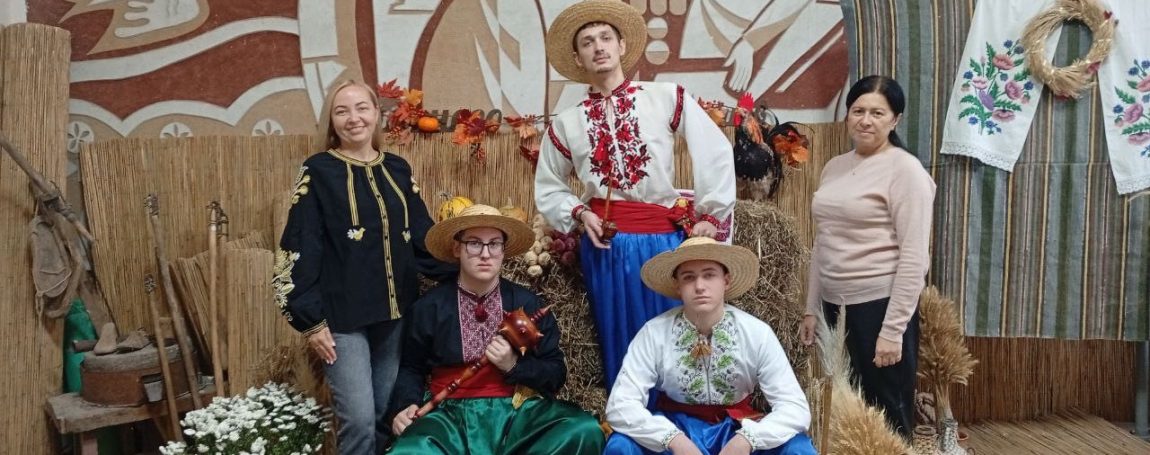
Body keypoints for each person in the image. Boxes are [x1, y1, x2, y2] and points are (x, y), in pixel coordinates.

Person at [535, 0, 737, 388]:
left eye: (606, 38)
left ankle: (682, 410)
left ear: (622, 45)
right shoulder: (567, 123)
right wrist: (580, 213)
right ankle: (629, 414)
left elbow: (715, 149)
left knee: (675, 335)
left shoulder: (664, 96)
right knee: (620, 336)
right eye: (587, 42)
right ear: (577, 57)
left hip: (663, 241)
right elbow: (548, 185)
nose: (598, 47)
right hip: (606, 247)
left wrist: (711, 215)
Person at [273, 79, 451, 454]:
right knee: (358, 420)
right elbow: (300, 244)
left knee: (387, 415)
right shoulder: (318, 171)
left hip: (395, 316)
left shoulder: (398, 169)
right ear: (331, 121)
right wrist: (310, 321)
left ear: (376, 114)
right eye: (342, 111)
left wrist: (465, 265)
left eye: (361, 108)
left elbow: (422, 236)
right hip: (342, 320)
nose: (353, 118)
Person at [387, 204, 605, 454]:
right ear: (457, 248)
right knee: (409, 451)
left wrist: (514, 366)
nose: (485, 254)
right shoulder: (429, 308)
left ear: (504, 250)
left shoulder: (528, 304)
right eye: (474, 243)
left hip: (517, 415)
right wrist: (405, 405)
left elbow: (555, 372)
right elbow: (411, 368)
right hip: (449, 417)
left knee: (584, 430)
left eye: (494, 244)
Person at [799, 75, 936, 438]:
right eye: (858, 111)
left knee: (888, 411)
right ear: (847, 115)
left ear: (895, 120)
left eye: (878, 113)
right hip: (834, 306)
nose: (866, 120)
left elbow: (914, 257)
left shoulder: (905, 170)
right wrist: (812, 307)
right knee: (849, 404)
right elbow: (823, 241)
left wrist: (892, 330)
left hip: (879, 306)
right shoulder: (834, 167)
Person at [604, 236, 816, 455]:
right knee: (621, 446)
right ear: (677, 285)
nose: (699, 286)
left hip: (737, 429)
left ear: (726, 280)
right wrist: (673, 440)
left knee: (798, 449)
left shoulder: (757, 333)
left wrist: (748, 440)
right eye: (688, 277)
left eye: (709, 275)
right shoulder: (653, 333)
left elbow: (795, 407)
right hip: (675, 430)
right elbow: (620, 405)